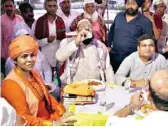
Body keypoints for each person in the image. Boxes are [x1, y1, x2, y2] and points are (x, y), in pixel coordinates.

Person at [1, 35, 76, 126]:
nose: (30, 60)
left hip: (51, 118)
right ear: (15, 60)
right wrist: (54, 124)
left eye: (32, 55)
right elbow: (23, 120)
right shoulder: (11, 85)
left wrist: (62, 112)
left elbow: (47, 97)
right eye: (24, 56)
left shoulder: (34, 72)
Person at [56, 19, 114, 86]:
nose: (86, 28)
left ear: (92, 30)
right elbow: (59, 57)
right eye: (82, 26)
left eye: (89, 26)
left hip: (96, 86)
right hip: (77, 86)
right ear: (77, 31)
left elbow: (107, 67)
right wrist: (76, 42)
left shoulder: (100, 46)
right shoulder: (68, 42)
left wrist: (111, 84)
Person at [108, 0, 153, 73]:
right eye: (128, 3)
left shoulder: (145, 21)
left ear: (138, 5)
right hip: (115, 56)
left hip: (133, 59)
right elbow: (111, 31)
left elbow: (148, 41)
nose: (130, 6)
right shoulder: (119, 16)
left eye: (133, 3)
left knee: (130, 82)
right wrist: (109, 46)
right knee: (114, 80)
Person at [33, 0, 66, 74]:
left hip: (59, 56)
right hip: (45, 57)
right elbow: (34, 42)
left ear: (57, 7)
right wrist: (46, 40)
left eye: (54, 6)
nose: (52, 8)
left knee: (59, 80)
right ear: (45, 7)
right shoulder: (39, 22)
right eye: (49, 6)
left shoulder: (61, 21)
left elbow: (64, 40)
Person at [1, 0, 23, 75]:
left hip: (19, 53)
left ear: (14, 7)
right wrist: (1, 55)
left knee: (20, 76)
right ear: (3, 8)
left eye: (10, 6)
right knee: (8, 76)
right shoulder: (1, 20)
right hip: (6, 55)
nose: (9, 8)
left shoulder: (20, 18)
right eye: (6, 6)